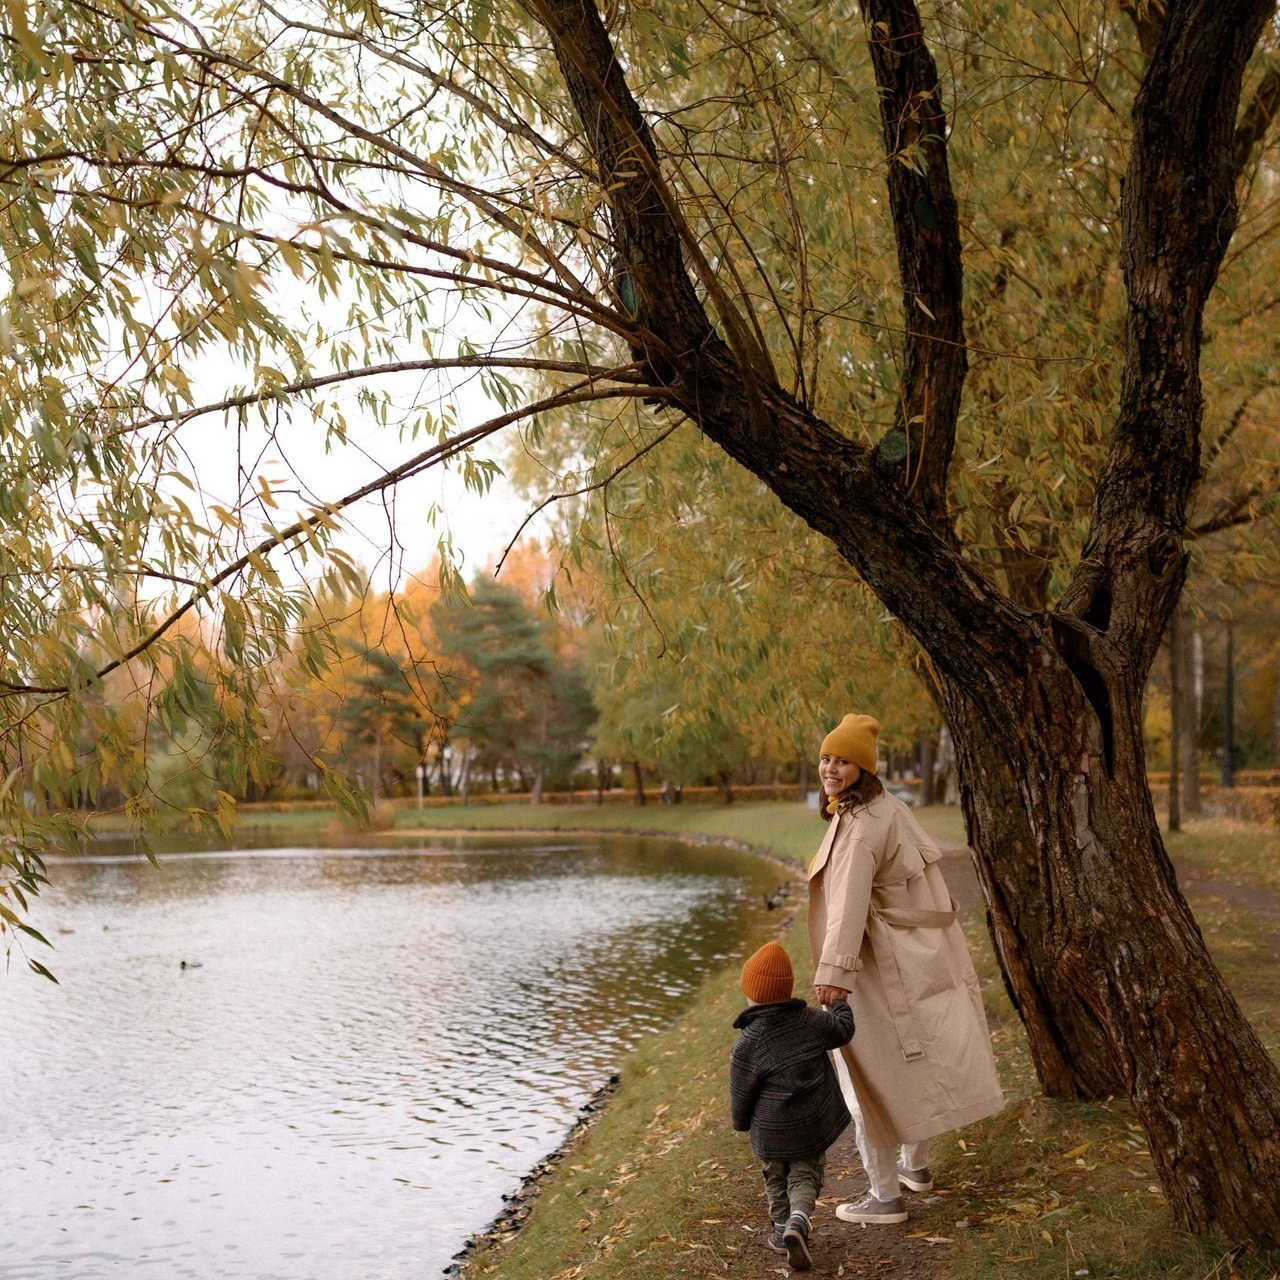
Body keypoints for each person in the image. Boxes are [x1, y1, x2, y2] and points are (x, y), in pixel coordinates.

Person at [807, 713, 1003, 1226]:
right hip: (909, 955)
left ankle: (884, 1196)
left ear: (863, 769)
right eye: (827, 757)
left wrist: (835, 975)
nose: (830, 767)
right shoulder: (887, 808)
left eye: (842, 760)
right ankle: (915, 1168)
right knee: (908, 1065)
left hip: (877, 964)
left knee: (865, 1076)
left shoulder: (861, 825)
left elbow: (848, 907)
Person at [729, 940, 855, 1272]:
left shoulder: (748, 1042)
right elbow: (843, 1031)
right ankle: (798, 1222)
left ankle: (779, 1229)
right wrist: (839, 1003)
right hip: (810, 1124)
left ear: (752, 995)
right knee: (805, 1174)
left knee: (774, 1176)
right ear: (786, 992)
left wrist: (741, 1123)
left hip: (770, 1130)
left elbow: (741, 1093)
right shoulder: (812, 1022)